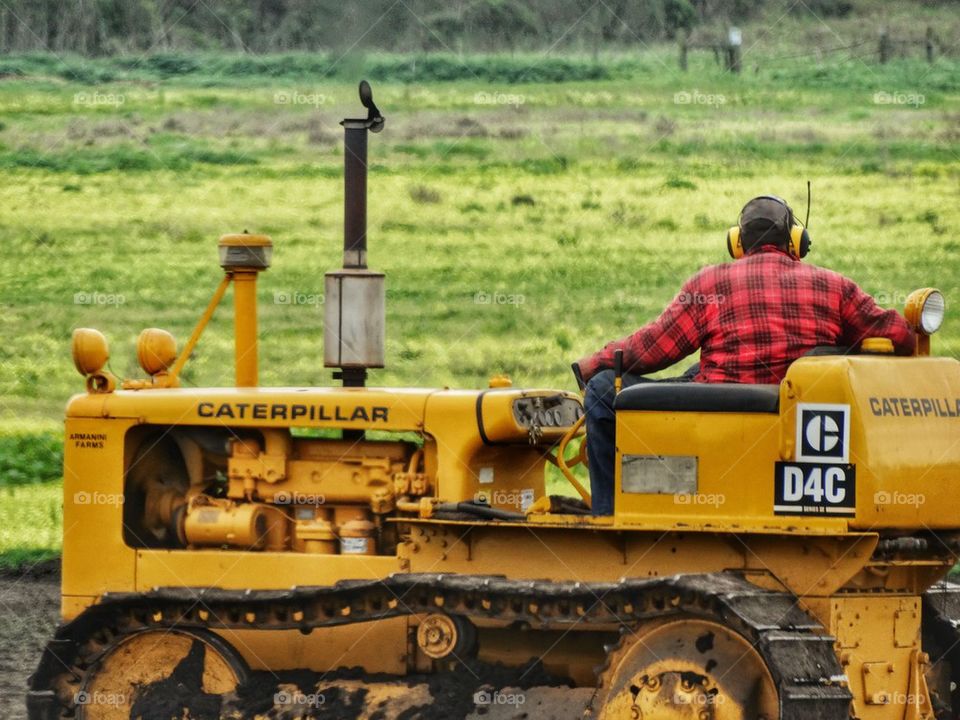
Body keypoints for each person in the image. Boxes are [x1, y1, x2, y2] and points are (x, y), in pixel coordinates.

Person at [573, 195, 916, 516]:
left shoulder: (709, 283)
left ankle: (610, 517)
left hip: (717, 414)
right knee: (697, 368)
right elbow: (899, 336)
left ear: (737, 242)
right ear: (797, 241)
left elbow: (652, 349)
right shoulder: (835, 285)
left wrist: (593, 364)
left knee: (604, 388)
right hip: (791, 411)